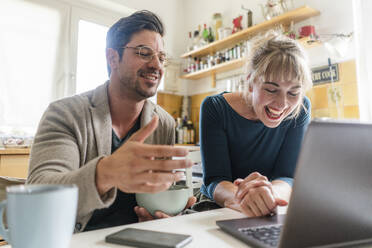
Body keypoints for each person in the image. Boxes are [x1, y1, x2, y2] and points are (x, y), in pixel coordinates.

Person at [27, 10, 195, 232]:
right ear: (112, 57)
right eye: (144, 53)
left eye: (162, 57)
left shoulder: (163, 122)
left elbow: (157, 196)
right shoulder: (66, 114)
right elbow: (37, 196)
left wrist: (163, 214)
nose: (157, 65)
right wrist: (105, 173)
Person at [199, 32, 312, 217]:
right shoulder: (215, 108)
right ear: (250, 82)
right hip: (221, 207)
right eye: (271, 89)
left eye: (293, 93)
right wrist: (245, 196)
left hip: (272, 205)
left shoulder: (301, 109)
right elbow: (215, 180)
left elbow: (288, 175)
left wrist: (267, 196)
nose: (281, 104)